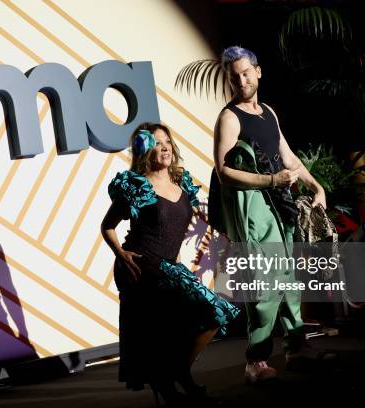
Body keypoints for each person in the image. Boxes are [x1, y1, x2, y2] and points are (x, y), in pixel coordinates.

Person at [101, 123, 240, 406]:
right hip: (140, 263)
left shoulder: (181, 184)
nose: (164, 147)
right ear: (144, 149)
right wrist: (120, 253)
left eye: (167, 141)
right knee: (190, 317)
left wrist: (178, 262)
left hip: (167, 264)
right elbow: (107, 226)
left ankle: (176, 373)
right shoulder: (137, 186)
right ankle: (170, 382)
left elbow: (174, 230)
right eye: (156, 142)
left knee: (211, 315)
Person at [212, 46, 327, 383]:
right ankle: (255, 362)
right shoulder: (229, 117)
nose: (241, 80)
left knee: (289, 282)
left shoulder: (268, 113)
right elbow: (223, 172)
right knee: (264, 285)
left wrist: (315, 186)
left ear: (258, 72)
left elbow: (288, 156)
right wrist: (270, 180)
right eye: (234, 76)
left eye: (246, 73)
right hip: (253, 209)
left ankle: (295, 348)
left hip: (279, 203)